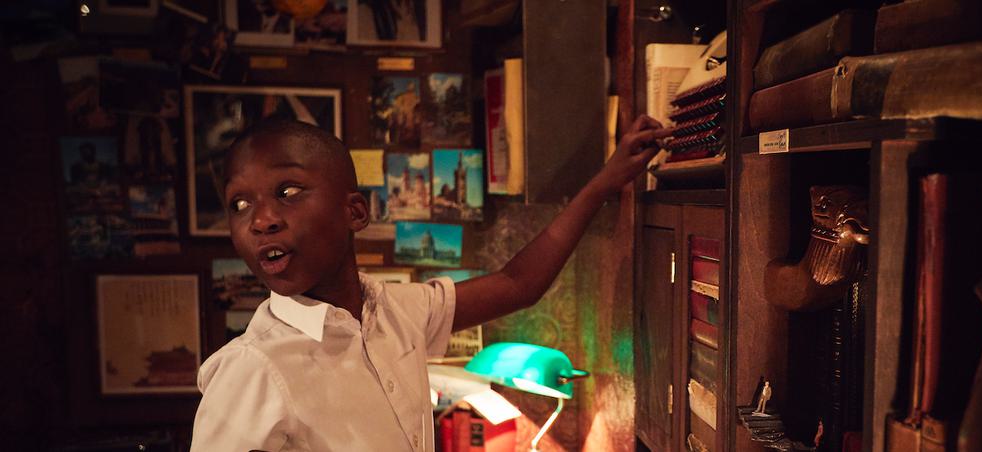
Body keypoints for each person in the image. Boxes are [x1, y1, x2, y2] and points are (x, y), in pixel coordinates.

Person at [190, 116, 672, 450]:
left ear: (355, 211)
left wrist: (605, 183)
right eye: (240, 204)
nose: (262, 220)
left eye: (287, 192)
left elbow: (518, 283)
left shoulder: (394, 310)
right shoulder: (249, 370)